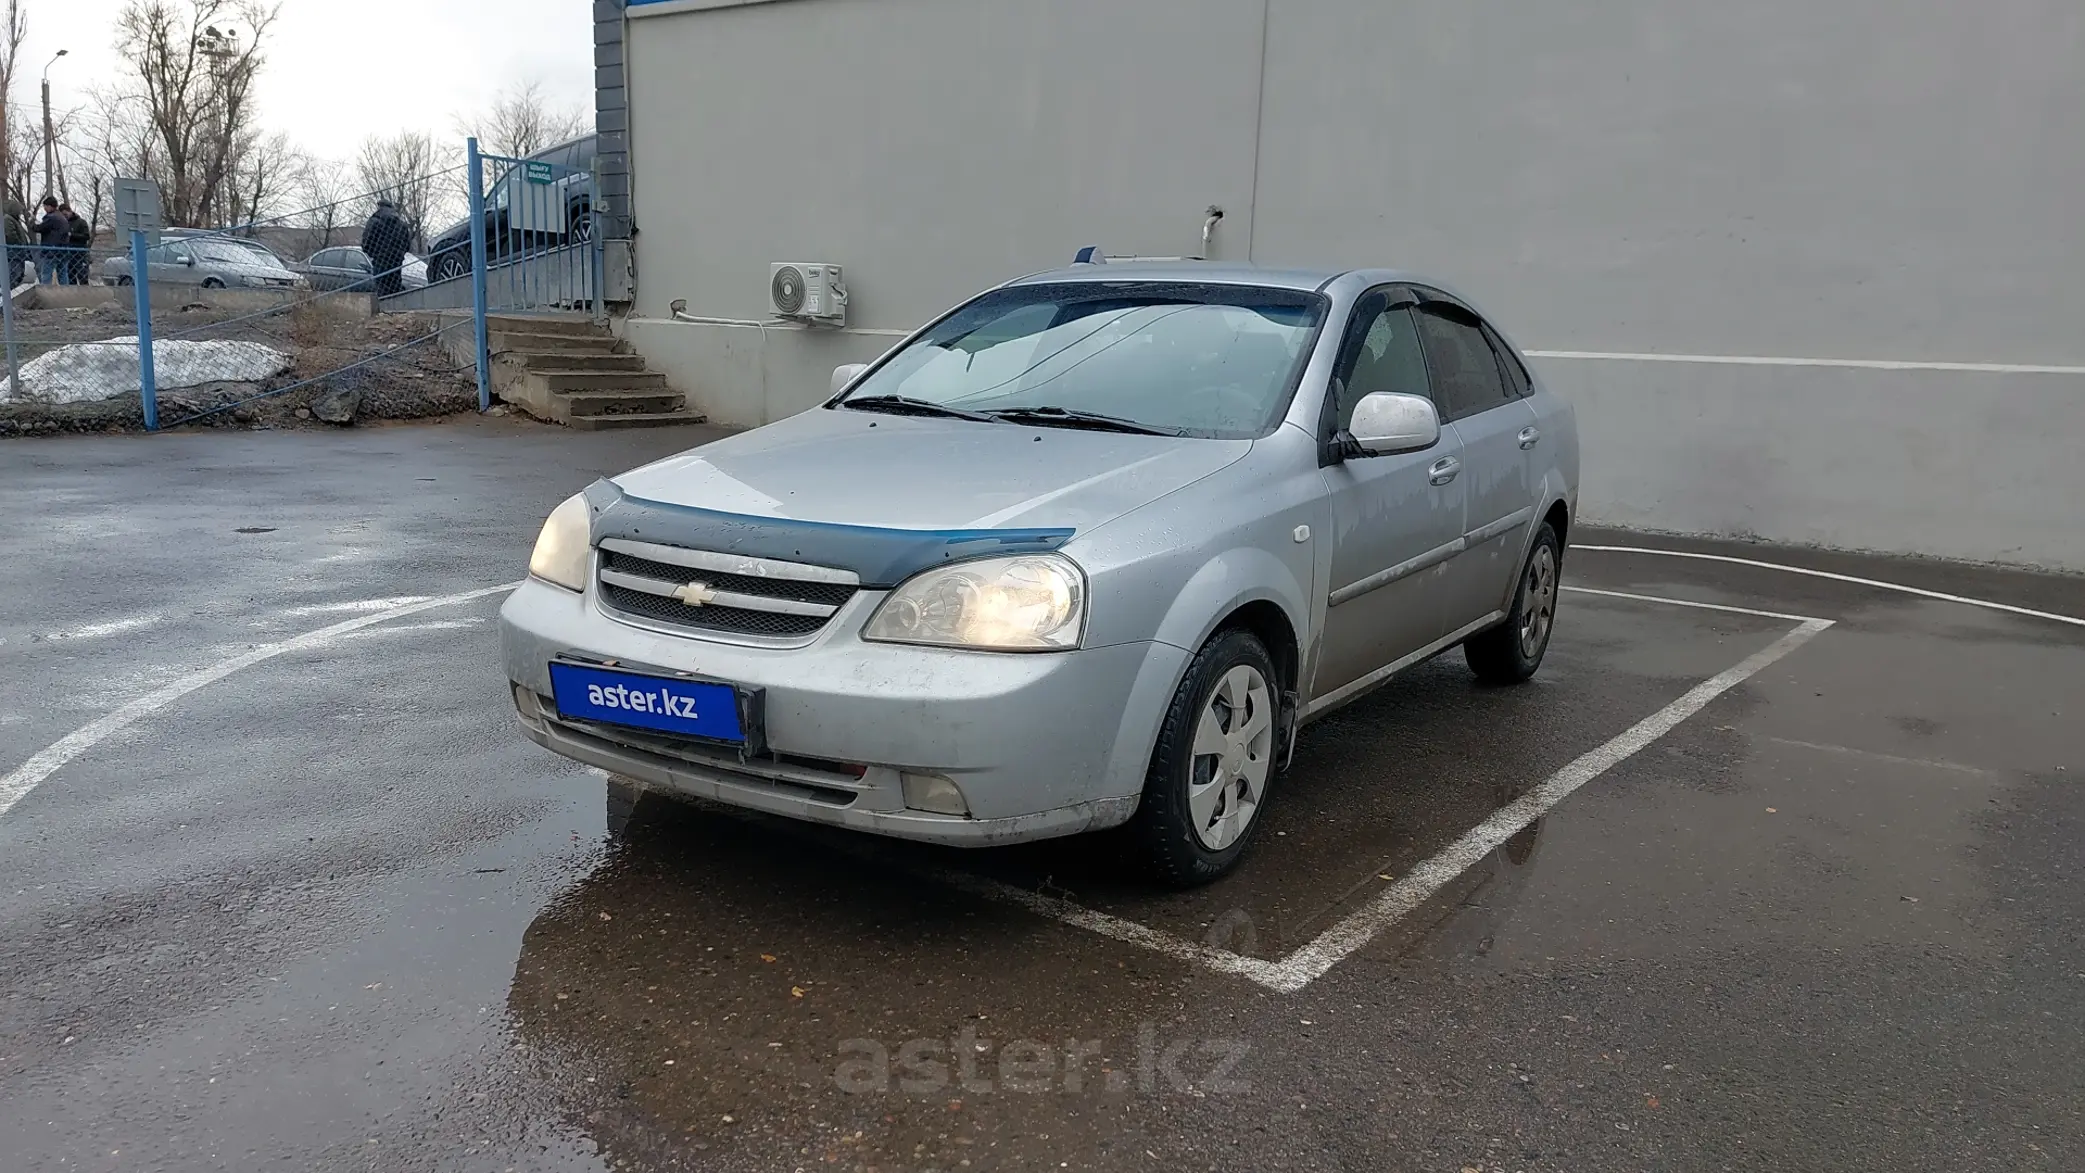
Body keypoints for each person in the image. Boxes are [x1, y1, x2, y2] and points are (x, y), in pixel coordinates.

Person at [360, 198, 413, 298]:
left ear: (379, 207)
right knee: (395, 287)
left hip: (380, 259)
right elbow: (407, 244)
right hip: (396, 261)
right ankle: (395, 310)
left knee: (381, 288)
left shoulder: (374, 221)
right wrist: (399, 253)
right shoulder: (400, 224)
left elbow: (366, 242)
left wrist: (372, 253)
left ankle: (383, 309)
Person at [34, 197, 69, 284]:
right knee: (63, 274)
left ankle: (46, 294)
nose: (44, 208)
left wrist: (32, 223)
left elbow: (40, 228)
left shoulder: (51, 217)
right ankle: (66, 293)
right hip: (62, 251)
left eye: (45, 206)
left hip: (50, 251)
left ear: (50, 206)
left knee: (46, 274)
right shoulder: (62, 217)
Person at [61, 203, 92, 286]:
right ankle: (73, 296)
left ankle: (85, 295)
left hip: (80, 255)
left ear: (70, 211)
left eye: (65, 214)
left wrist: (72, 235)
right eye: (62, 215)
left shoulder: (81, 222)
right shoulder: (64, 224)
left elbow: (86, 236)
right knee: (70, 278)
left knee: (83, 277)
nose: (65, 216)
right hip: (68, 256)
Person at [4, 197, 25, 289]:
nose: (20, 212)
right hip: (13, 252)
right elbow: (10, 234)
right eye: (19, 210)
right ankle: (6, 293)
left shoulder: (14, 220)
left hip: (17, 252)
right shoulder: (8, 219)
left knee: (18, 274)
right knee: (13, 273)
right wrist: (19, 244)